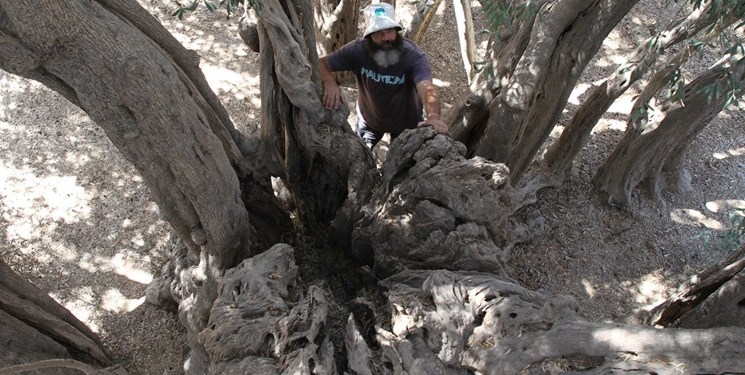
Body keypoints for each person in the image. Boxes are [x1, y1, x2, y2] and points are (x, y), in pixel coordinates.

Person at [319, 2, 449, 148]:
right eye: (378, 33)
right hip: (369, 121)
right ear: (368, 36)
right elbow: (321, 63)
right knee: (361, 158)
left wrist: (434, 117)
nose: (385, 37)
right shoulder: (357, 50)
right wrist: (329, 82)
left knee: (403, 163)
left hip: (406, 124)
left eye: (389, 31)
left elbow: (427, 88)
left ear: (396, 30)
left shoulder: (414, 56)